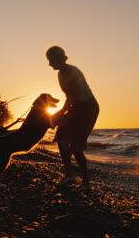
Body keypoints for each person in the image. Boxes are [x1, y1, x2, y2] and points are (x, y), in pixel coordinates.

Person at [46, 46, 99, 191]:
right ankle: (69, 175)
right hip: (75, 107)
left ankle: (86, 184)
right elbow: (69, 97)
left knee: (76, 146)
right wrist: (61, 113)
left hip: (88, 108)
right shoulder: (60, 74)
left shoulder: (72, 72)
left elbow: (74, 96)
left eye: (51, 60)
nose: (49, 64)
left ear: (59, 59)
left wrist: (61, 112)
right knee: (61, 138)